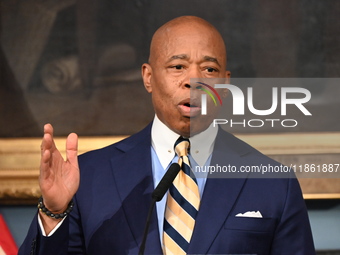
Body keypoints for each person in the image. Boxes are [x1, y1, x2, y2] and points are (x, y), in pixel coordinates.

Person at [19, 16, 315, 254]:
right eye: (178, 66)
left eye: (209, 69)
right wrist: (54, 212)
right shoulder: (90, 176)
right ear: (148, 77)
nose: (193, 81)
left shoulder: (274, 183)